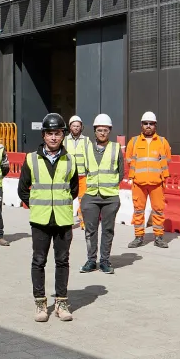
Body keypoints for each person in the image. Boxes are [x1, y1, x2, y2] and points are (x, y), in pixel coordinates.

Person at [18, 113, 79, 322]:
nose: (54, 137)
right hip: (40, 220)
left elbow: (74, 189)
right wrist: (36, 205)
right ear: (43, 135)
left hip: (62, 220)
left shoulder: (70, 160)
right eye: (50, 133)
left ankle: (61, 303)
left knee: (62, 261)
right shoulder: (31, 159)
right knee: (39, 261)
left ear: (63, 135)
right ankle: (40, 304)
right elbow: (22, 189)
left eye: (58, 133)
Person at [79, 114, 123, 274]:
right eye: (99, 130)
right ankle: (91, 261)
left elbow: (121, 172)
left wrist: (110, 186)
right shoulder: (87, 148)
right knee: (90, 230)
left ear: (109, 131)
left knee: (108, 230)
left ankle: (104, 261)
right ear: (95, 131)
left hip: (110, 197)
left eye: (105, 130)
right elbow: (83, 170)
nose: (102, 133)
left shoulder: (116, 148)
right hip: (91, 195)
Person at [125, 111, 171, 248]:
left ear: (155, 125)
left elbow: (168, 159)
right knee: (138, 210)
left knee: (158, 210)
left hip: (157, 183)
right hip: (138, 183)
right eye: (146, 123)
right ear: (141, 125)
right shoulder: (133, 141)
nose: (148, 126)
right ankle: (138, 237)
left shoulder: (162, 142)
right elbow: (128, 159)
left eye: (151, 124)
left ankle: (159, 237)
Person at [66, 115, 92, 228]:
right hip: (68, 176)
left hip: (82, 175)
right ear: (70, 127)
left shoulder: (86, 140)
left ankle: (83, 222)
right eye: (74, 126)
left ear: (81, 127)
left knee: (83, 200)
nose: (76, 128)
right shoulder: (64, 140)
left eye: (78, 126)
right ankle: (66, 221)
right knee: (67, 199)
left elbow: (90, 157)